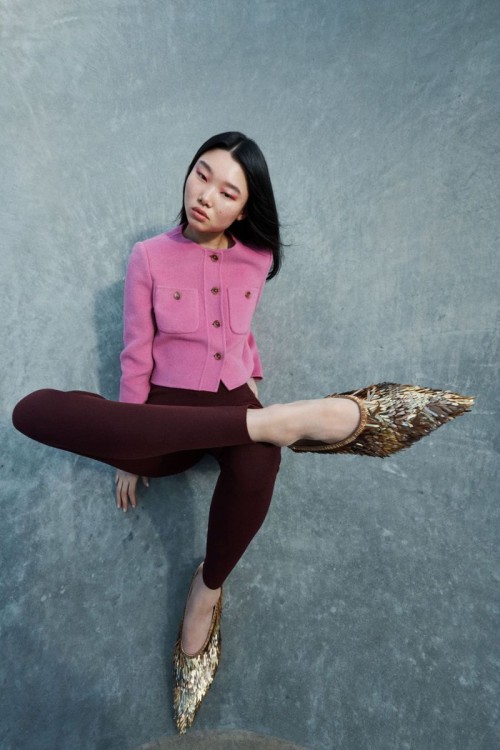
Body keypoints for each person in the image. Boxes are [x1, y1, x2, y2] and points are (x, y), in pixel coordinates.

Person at [11, 131, 473, 734]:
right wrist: (127, 444)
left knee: (260, 464)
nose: (205, 196)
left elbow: (242, 330)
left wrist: (252, 374)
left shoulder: (256, 257)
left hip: (232, 395)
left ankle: (207, 589)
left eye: (227, 192)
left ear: (243, 210)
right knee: (32, 411)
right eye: (201, 174)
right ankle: (280, 422)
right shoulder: (148, 256)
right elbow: (136, 352)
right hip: (166, 411)